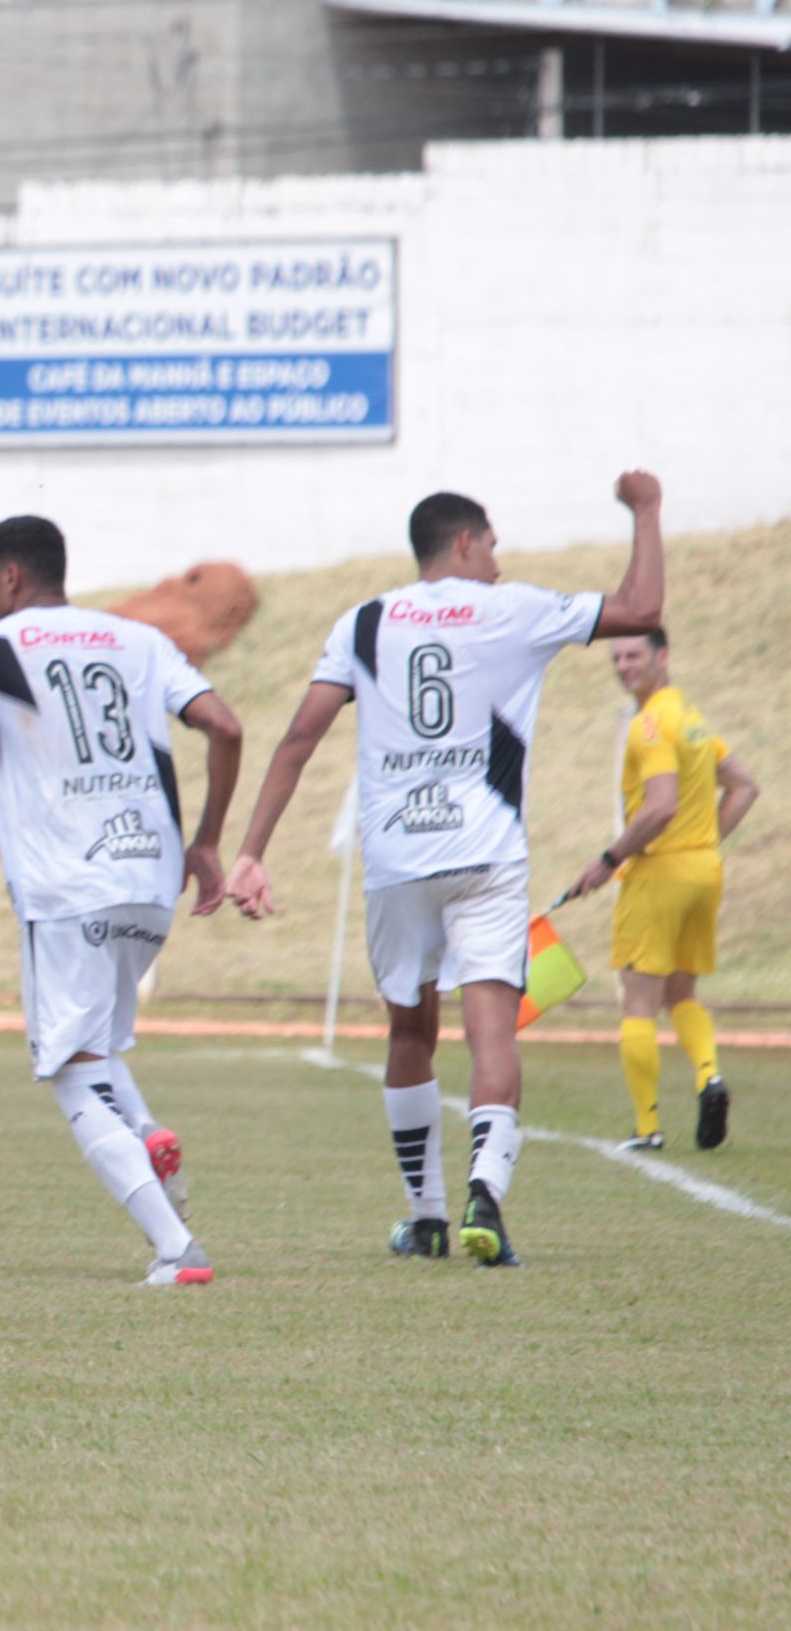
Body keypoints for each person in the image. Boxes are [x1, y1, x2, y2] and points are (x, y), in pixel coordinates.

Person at [226, 474, 665, 1267]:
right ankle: (485, 1197)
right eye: (492, 546)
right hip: (486, 852)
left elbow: (299, 737)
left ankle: (425, 1216)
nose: (498, 562)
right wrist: (645, 510)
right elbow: (642, 608)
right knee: (490, 1024)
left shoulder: (362, 622)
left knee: (409, 1030)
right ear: (464, 541)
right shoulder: (514, 608)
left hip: (397, 858)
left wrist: (252, 849)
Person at [0, 516, 244, 1287]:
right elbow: (225, 726)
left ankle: (176, 1248)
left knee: (71, 1071)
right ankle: (144, 1129)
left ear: (10, 575)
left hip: (68, 887)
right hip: (149, 880)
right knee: (99, 1047)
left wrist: (7, 802)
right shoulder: (136, 639)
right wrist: (205, 843)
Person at [562, 628, 759, 1151]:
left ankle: (647, 1128)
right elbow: (744, 785)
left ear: (663, 656)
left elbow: (660, 805)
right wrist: (706, 840)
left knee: (639, 1000)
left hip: (660, 874)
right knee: (682, 993)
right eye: (617, 657)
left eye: (634, 655)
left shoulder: (649, 724)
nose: (624, 665)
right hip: (703, 871)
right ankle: (709, 1076)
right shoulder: (689, 717)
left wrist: (609, 859)